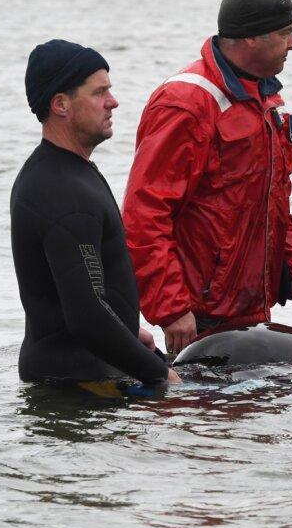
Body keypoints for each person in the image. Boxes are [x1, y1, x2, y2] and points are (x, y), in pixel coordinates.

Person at [123, 0, 292, 355]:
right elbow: (144, 214)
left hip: (251, 309)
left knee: (255, 410)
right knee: (201, 414)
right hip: (201, 315)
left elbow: (273, 201)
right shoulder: (186, 103)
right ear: (250, 40)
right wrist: (171, 308)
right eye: (285, 33)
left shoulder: (266, 96)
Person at [12, 40, 177, 385]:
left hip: (86, 370)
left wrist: (131, 330)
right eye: (100, 92)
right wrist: (161, 377)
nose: (113, 101)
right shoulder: (62, 191)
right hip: (77, 385)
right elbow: (87, 316)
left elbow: (84, 292)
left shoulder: (65, 172)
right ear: (61, 105)